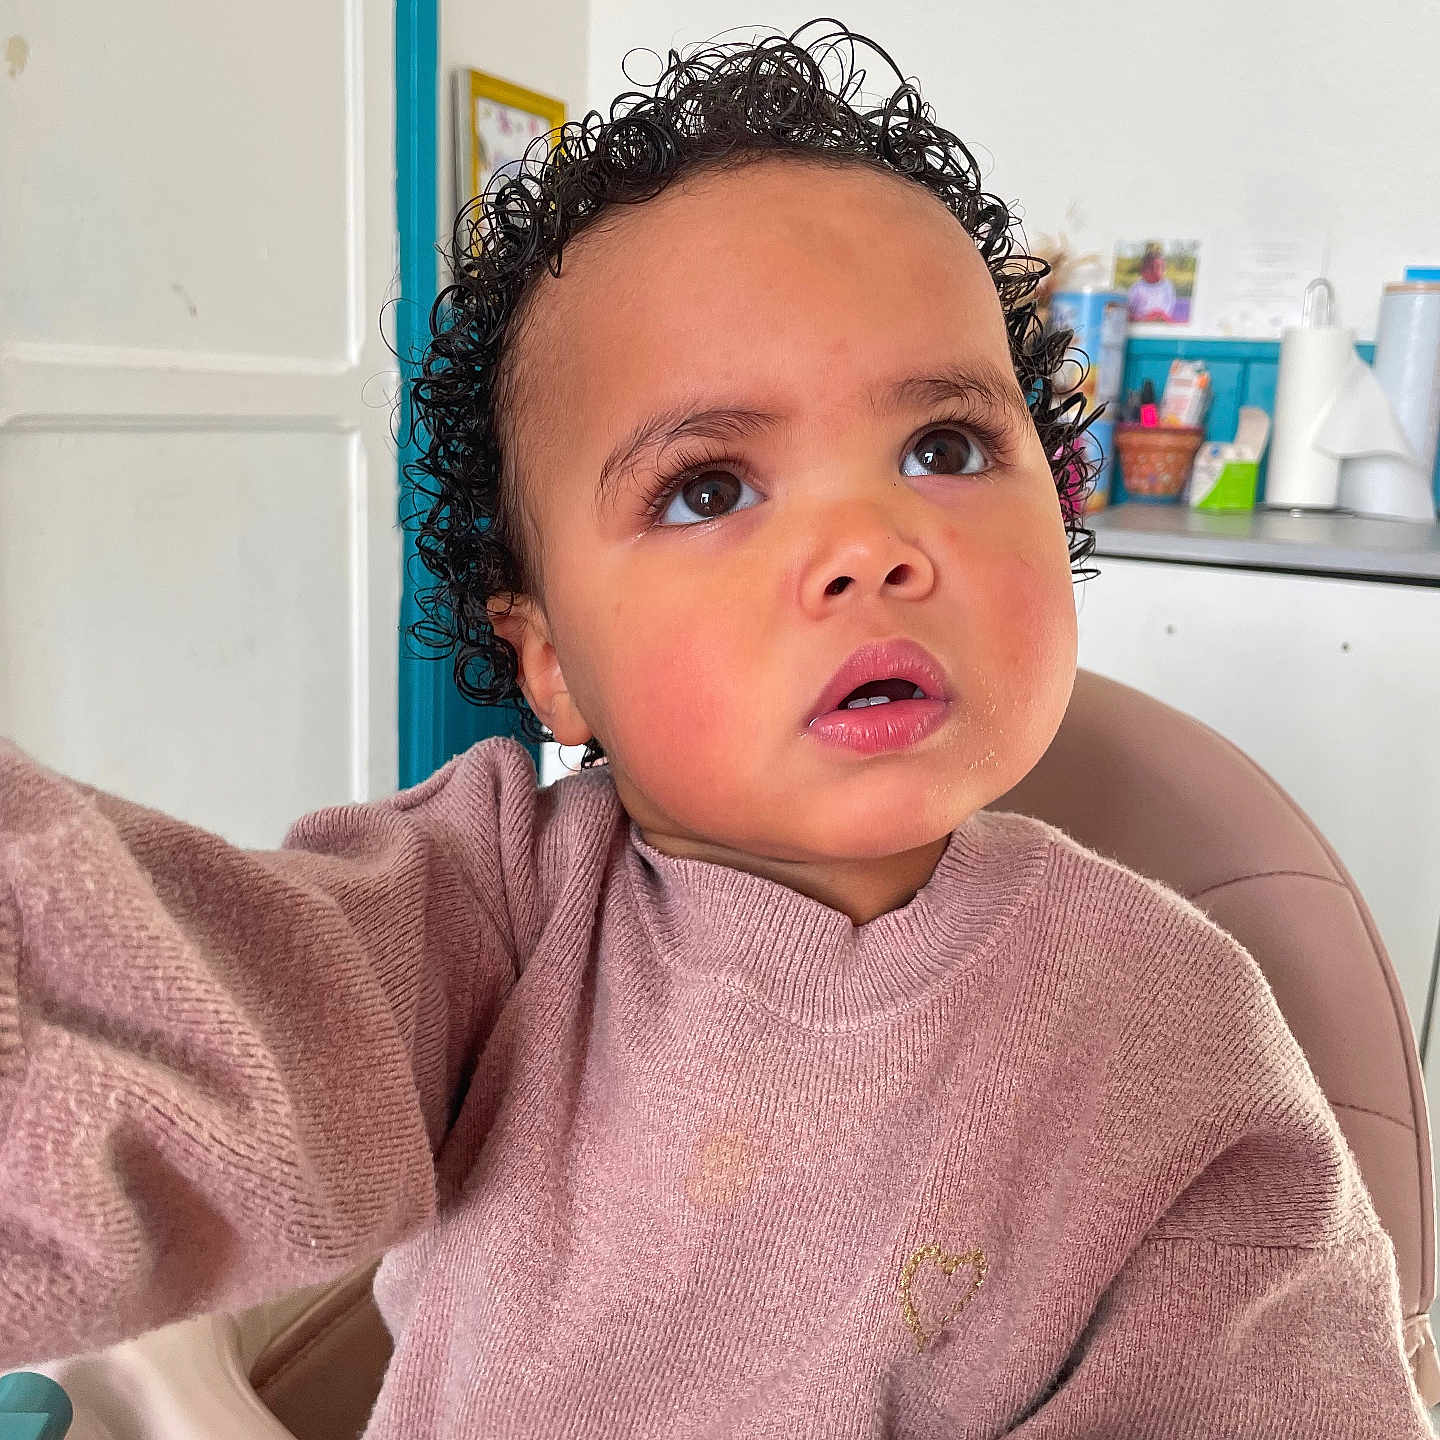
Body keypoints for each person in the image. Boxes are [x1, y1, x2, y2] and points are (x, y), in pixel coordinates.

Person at [0, 20, 1431, 1437]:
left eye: (943, 446)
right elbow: (171, 1032)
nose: (870, 546)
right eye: (708, 487)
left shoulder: (1167, 1030)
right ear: (552, 661)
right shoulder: (487, 902)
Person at [1127, 243, 1178, 321]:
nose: (1154, 271)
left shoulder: (1167, 285)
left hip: (1161, 318)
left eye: (1159, 267)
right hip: (1141, 319)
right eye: (1150, 268)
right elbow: (1129, 307)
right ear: (1142, 271)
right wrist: (1142, 318)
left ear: (1164, 270)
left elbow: (1169, 305)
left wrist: (1159, 315)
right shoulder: (1137, 287)